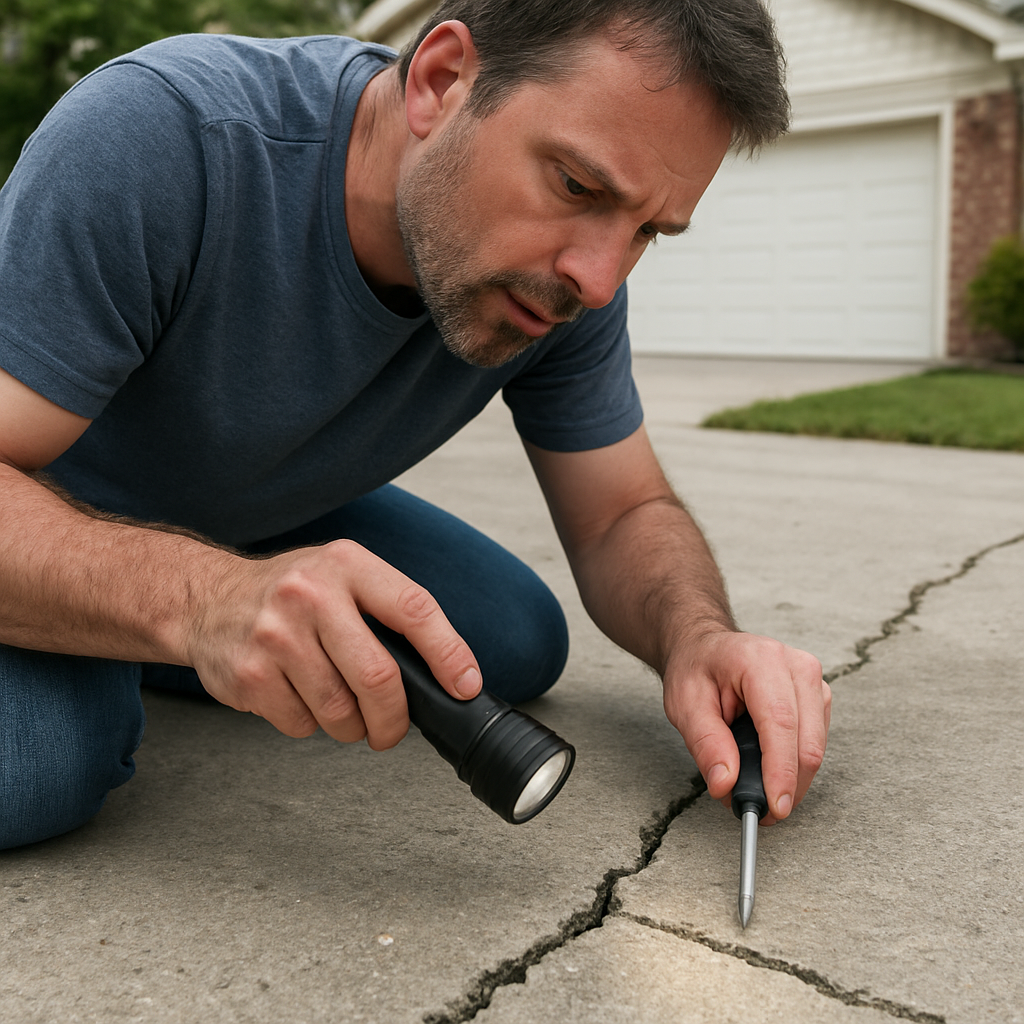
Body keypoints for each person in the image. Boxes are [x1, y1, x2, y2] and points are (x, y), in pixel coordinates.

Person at [0, 0, 831, 850]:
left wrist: (701, 640)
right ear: (441, 81)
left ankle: (198, 631)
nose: (599, 278)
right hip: (37, 498)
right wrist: (203, 600)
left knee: (510, 639)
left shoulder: (564, 287)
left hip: (246, 510)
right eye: (578, 185)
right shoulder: (166, 136)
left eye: (648, 229)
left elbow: (621, 510)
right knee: (39, 766)